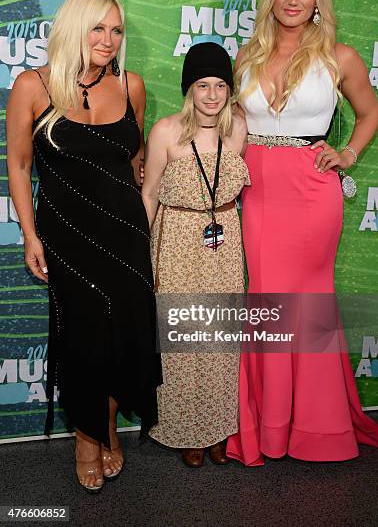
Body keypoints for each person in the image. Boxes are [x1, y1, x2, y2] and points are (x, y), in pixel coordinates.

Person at [226, 0, 378, 465]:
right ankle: (268, 426)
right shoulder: (246, 55)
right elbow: (230, 126)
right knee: (267, 298)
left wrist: (347, 153)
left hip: (312, 189)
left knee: (310, 301)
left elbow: (369, 114)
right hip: (256, 189)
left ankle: (316, 427)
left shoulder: (338, 57)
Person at [6, 0, 161, 491]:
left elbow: (132, 158)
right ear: (75, 25)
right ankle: (86, 437)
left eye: (116, 30)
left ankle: (107, 424)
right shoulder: (33, 86)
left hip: (125, 235)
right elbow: (21, 165)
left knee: (125, 341)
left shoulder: (131, 86)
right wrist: (30, 235)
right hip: (68, 236)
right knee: (83, 341)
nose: (109, 39)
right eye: (99, 27)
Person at [142, 42, 248, 467]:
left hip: (223, 242)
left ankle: (219, 428)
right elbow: (148, 194)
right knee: (184, 343)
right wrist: (140, 255)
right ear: (189, 88)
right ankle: (187, 430)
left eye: (220, 85)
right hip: (178, 243)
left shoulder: (238, 128)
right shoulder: (166, 131)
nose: (211, 95)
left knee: (221, 342)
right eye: (202, 85)